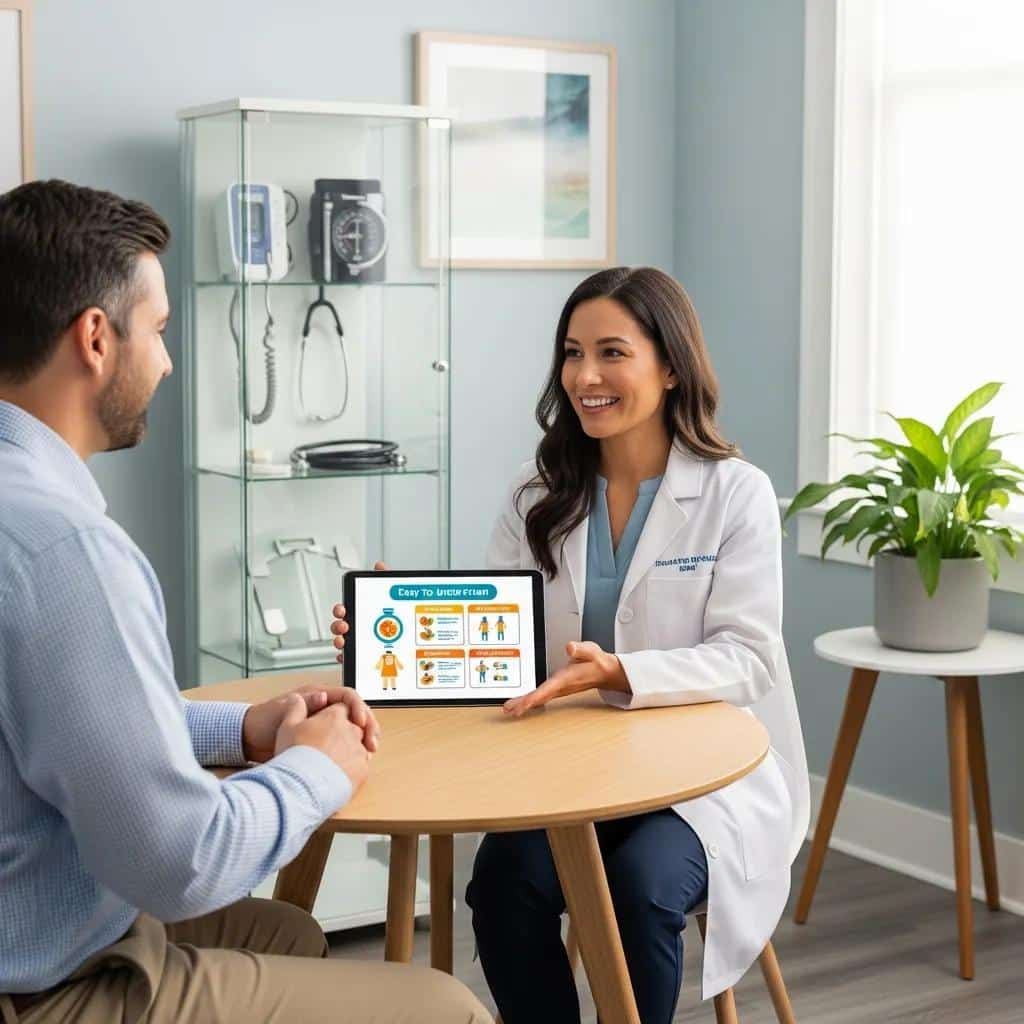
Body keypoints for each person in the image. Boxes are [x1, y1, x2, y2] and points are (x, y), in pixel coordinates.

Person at [0, 179, 490, 1024]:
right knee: (448, 1008)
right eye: (156, 331)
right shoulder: (62, 548)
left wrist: (248, 728)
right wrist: (317, 768)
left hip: (44, 915)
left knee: (291, 936)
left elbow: (66, 725)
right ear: (94, 338)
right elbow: (181, 860)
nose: (167, 360)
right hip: (47, 987)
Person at [456, 267, 808, 1023]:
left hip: (700, 778)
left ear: (671, 365)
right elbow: (499, 639)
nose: (586, 376)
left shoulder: (732, 492)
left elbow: (749, 656)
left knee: (640, 887)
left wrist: (622, 672)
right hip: (572, 768)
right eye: (573, 352)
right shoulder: (536, 493)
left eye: (612, 352)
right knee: (502, 883)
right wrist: (410, 631)